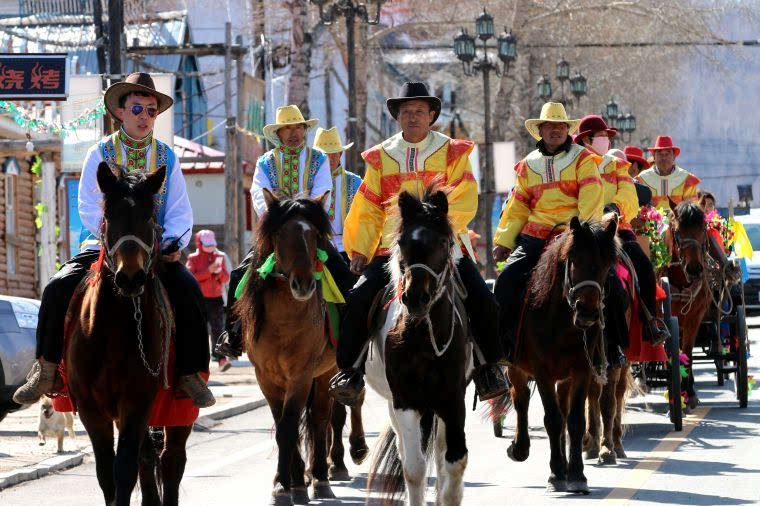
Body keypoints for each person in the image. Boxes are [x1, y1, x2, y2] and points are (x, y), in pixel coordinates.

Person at [13, 72, 214, 407]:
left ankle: (191, 373)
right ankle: (46, 369)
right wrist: (113, 241)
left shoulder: (167, 157)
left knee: (190, 291)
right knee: (56, 288)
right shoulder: (100, 153)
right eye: (137, 109)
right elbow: (88, 205)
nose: (145, 117)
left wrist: (173, 243)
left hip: (155, 250)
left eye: (152, 111)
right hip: (105, 247)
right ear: (119, 112)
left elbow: (179, 208)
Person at [328, 82, 508, 405]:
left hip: (442, 247)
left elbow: (465, 195)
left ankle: (488, 368)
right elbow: (368, 207)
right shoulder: (381, 157)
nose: (413, 117)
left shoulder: (453, 152)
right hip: (391, 251)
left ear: (432, 115)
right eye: (407, 111)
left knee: (483, 299)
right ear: (397, 116)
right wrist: (360, 249)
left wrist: (442, 230)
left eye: (420, 111)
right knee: (357, 300)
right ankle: (350, 372)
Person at [216, 105, 353, 358]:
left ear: (304, 130)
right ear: (278, 134)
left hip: (310, 231)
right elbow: (259, 194)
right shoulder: (265, 162)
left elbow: (324, 192)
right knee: (239, 275)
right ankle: (232, 334)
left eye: (298, 127)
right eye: (287, 128)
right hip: (277, 233)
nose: (293, 133)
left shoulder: (318, 159)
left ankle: (351, 342)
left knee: (345, 276)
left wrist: (302, 215)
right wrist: (278, 217)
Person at [492, 103, 604, 360]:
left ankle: (612, 346)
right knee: (506, 281)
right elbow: (517, 206)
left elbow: (591, 196)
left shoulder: (583, 158)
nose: (555, 130)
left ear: (567, 130)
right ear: (540, 130)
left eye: (560, 126)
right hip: (535, 236)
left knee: (610, 285)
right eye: (550, 126)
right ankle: (504, 346)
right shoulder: (527, 165)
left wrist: (585, 234)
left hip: (572, 235)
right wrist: (504, 240)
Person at [576, 115, 670, 346]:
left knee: (645, 266)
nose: (608, 140)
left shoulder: (617, 165)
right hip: (583, 231)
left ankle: (650, 322)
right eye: (603, 136)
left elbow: (629, 194)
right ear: (587, 139)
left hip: (616, 229)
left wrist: (615, 209)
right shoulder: (572, 164)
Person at [312, 126, 362, 267]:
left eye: (334, 153)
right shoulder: (307, 183)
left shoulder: (355, 182)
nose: (330, 158)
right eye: (325, 154)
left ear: (341, 153)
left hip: (348, 248)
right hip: (315, 247)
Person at [186, 230, 232, 372]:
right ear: (199, 243)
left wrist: (219, 274)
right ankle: (199, 361)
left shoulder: (219, 256)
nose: (211, 248)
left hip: (216, 298)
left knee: (218, 329)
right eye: (207, 245)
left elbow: (226, 278)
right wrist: (208, 271)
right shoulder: (193, 258)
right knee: (200, 330)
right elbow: (191, 278)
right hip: (200, 299)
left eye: (212, 244)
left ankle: (221, 359)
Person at [636, 136, 700, 209]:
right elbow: (637, 209)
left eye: (667, 153)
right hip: (648, 220)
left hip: (678, 220)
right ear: (654, 156)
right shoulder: (641, 179)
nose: (664, 157)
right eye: (660, 153)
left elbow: (691, 210)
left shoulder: (687, 179)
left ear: (674, 156)